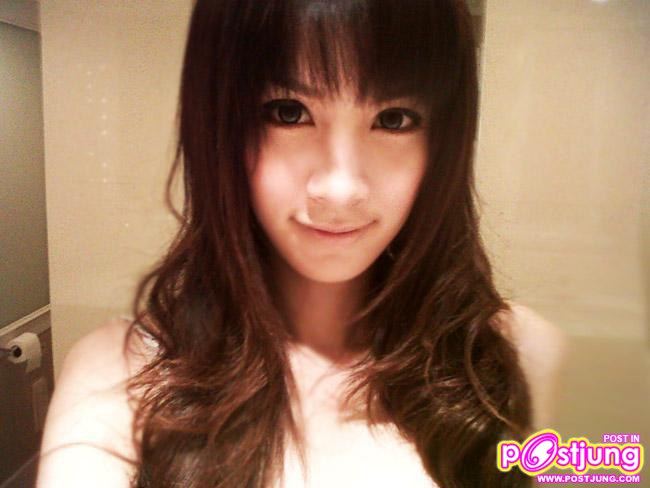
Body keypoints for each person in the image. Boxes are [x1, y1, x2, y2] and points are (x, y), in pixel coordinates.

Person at [36, 0, 568, 487]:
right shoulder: (121, 375)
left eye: (394, 119)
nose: (340, 189)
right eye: (288, 112)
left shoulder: (518, 356)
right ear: (218, 128)